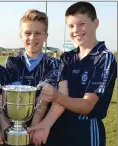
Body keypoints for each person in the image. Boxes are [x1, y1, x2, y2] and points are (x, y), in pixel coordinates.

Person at [28, 2, 117, 146]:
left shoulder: (104, 57)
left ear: (95, 23)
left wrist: (55, 95)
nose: (76, 30)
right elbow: (62, 97)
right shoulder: (66, 57)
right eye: (70, 26)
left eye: (81, 23)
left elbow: (87, 105)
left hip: (86, 129)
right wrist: (46, 125)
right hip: (61, 127)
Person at [5, 9, 62, 145]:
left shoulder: (53, 63)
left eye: (38, 33)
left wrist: (32, 129)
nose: (32, 38)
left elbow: (45, 99)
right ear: (21, 35)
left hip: (40, 133)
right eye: (28, 33)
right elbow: (11, 98)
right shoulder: (12, 61)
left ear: (45, 36)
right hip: (14, 129)